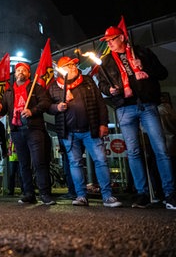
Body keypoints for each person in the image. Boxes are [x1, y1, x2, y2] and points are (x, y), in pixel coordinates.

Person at [96, 25, 176, 210]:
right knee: (133, 152)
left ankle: (170, 194)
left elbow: (162, 73)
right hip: (125, 108)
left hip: (147, 104)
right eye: (107, 41)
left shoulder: (142, 52)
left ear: (122, 38)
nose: (109, 43)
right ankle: (142, 193)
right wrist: (109, 90)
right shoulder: (107, 62)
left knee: (160, 149)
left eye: (112, 39)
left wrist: (145, 67)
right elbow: (102, 84)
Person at [47, 56, 122, 207]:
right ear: (62, 70)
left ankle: (107, 196)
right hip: (69, 132)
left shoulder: (87, 80)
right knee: (75, 163)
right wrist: (57, 107)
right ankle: (81, 195)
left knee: (100, 161)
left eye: (74, 65)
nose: (73, 67)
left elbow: (100, 103)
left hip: (90, 129)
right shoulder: (54, 86)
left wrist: (103, 124)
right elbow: (48, 107)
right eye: (69, 66)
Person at [0, 62, 55, 205]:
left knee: (39, 162)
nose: (20, 72)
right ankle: (28, 193)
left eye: (24, 70)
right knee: (23, 164)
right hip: (17, 131)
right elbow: (2, 111)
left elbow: (45, 103)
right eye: (18, 70)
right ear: (14, 74)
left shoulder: (36, 87)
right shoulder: (9, 92)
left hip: (34, 129)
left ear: (29, 74)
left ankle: (45, 194)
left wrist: (31, 111)